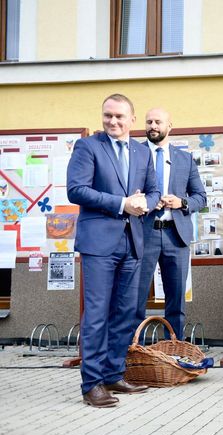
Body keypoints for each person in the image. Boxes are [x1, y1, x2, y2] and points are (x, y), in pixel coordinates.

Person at [67, 94, 160, 407]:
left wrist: (147, 202)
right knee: (96, 314)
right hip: (98, 244)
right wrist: (123, 204)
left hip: (132, 241)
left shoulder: (142, 152)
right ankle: (91, 384)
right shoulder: (88, 146)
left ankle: (113, 374)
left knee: (125, 312)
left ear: (132, 120)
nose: (113, 122)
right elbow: (76, 190)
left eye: (120, 116)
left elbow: (154, 189)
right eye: (108, 115)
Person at [136, 108, 207, 339]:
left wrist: (181, 202)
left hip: (175, 236)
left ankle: (173, 352)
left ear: (169, 126)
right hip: (142, 233)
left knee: (176, 301)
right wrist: (144, 201)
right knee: (135, 298)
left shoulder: (184, 158)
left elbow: (201, 197)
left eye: (158, 122)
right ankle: (133, 353)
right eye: (149, 122)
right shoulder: (134, 154)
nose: (153, 126)